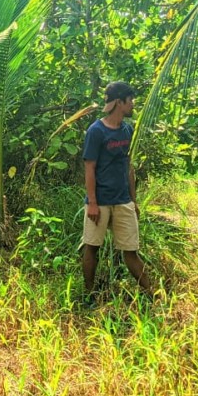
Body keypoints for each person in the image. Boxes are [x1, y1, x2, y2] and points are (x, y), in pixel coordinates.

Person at [81, 81, 152, 303]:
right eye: (130, 101)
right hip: (100, 201)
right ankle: (89, 295)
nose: (133, 105)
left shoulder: (127, 130)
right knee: (92, 247)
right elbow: (89, 168)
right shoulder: (96, 131)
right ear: (119, 102)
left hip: (122, 200)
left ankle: (152, 295)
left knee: (131, 251)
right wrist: (92, 202)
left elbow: (128, 166)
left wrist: (133, 200)